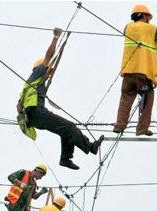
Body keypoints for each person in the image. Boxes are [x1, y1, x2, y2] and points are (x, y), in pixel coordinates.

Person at [17, 27, 103, 170]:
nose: (49, 73)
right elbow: (48, 56)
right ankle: (90, 147)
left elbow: (18, 106)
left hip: (33, 118)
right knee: (70, 127)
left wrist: (24, 116)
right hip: (37, 113)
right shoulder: (37, 73)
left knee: (65, 130)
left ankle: (65, 159)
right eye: (48, 70)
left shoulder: (30, 86)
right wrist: (56, 38)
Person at [113, 4, 157, 136]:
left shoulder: (128, 27)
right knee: (147, 98)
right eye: (148, 17)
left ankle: (120, 125)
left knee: (126, 99)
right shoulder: (150, 29)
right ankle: (142, 128)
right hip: (142, 72)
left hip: (128, 73)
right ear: (144, 16)